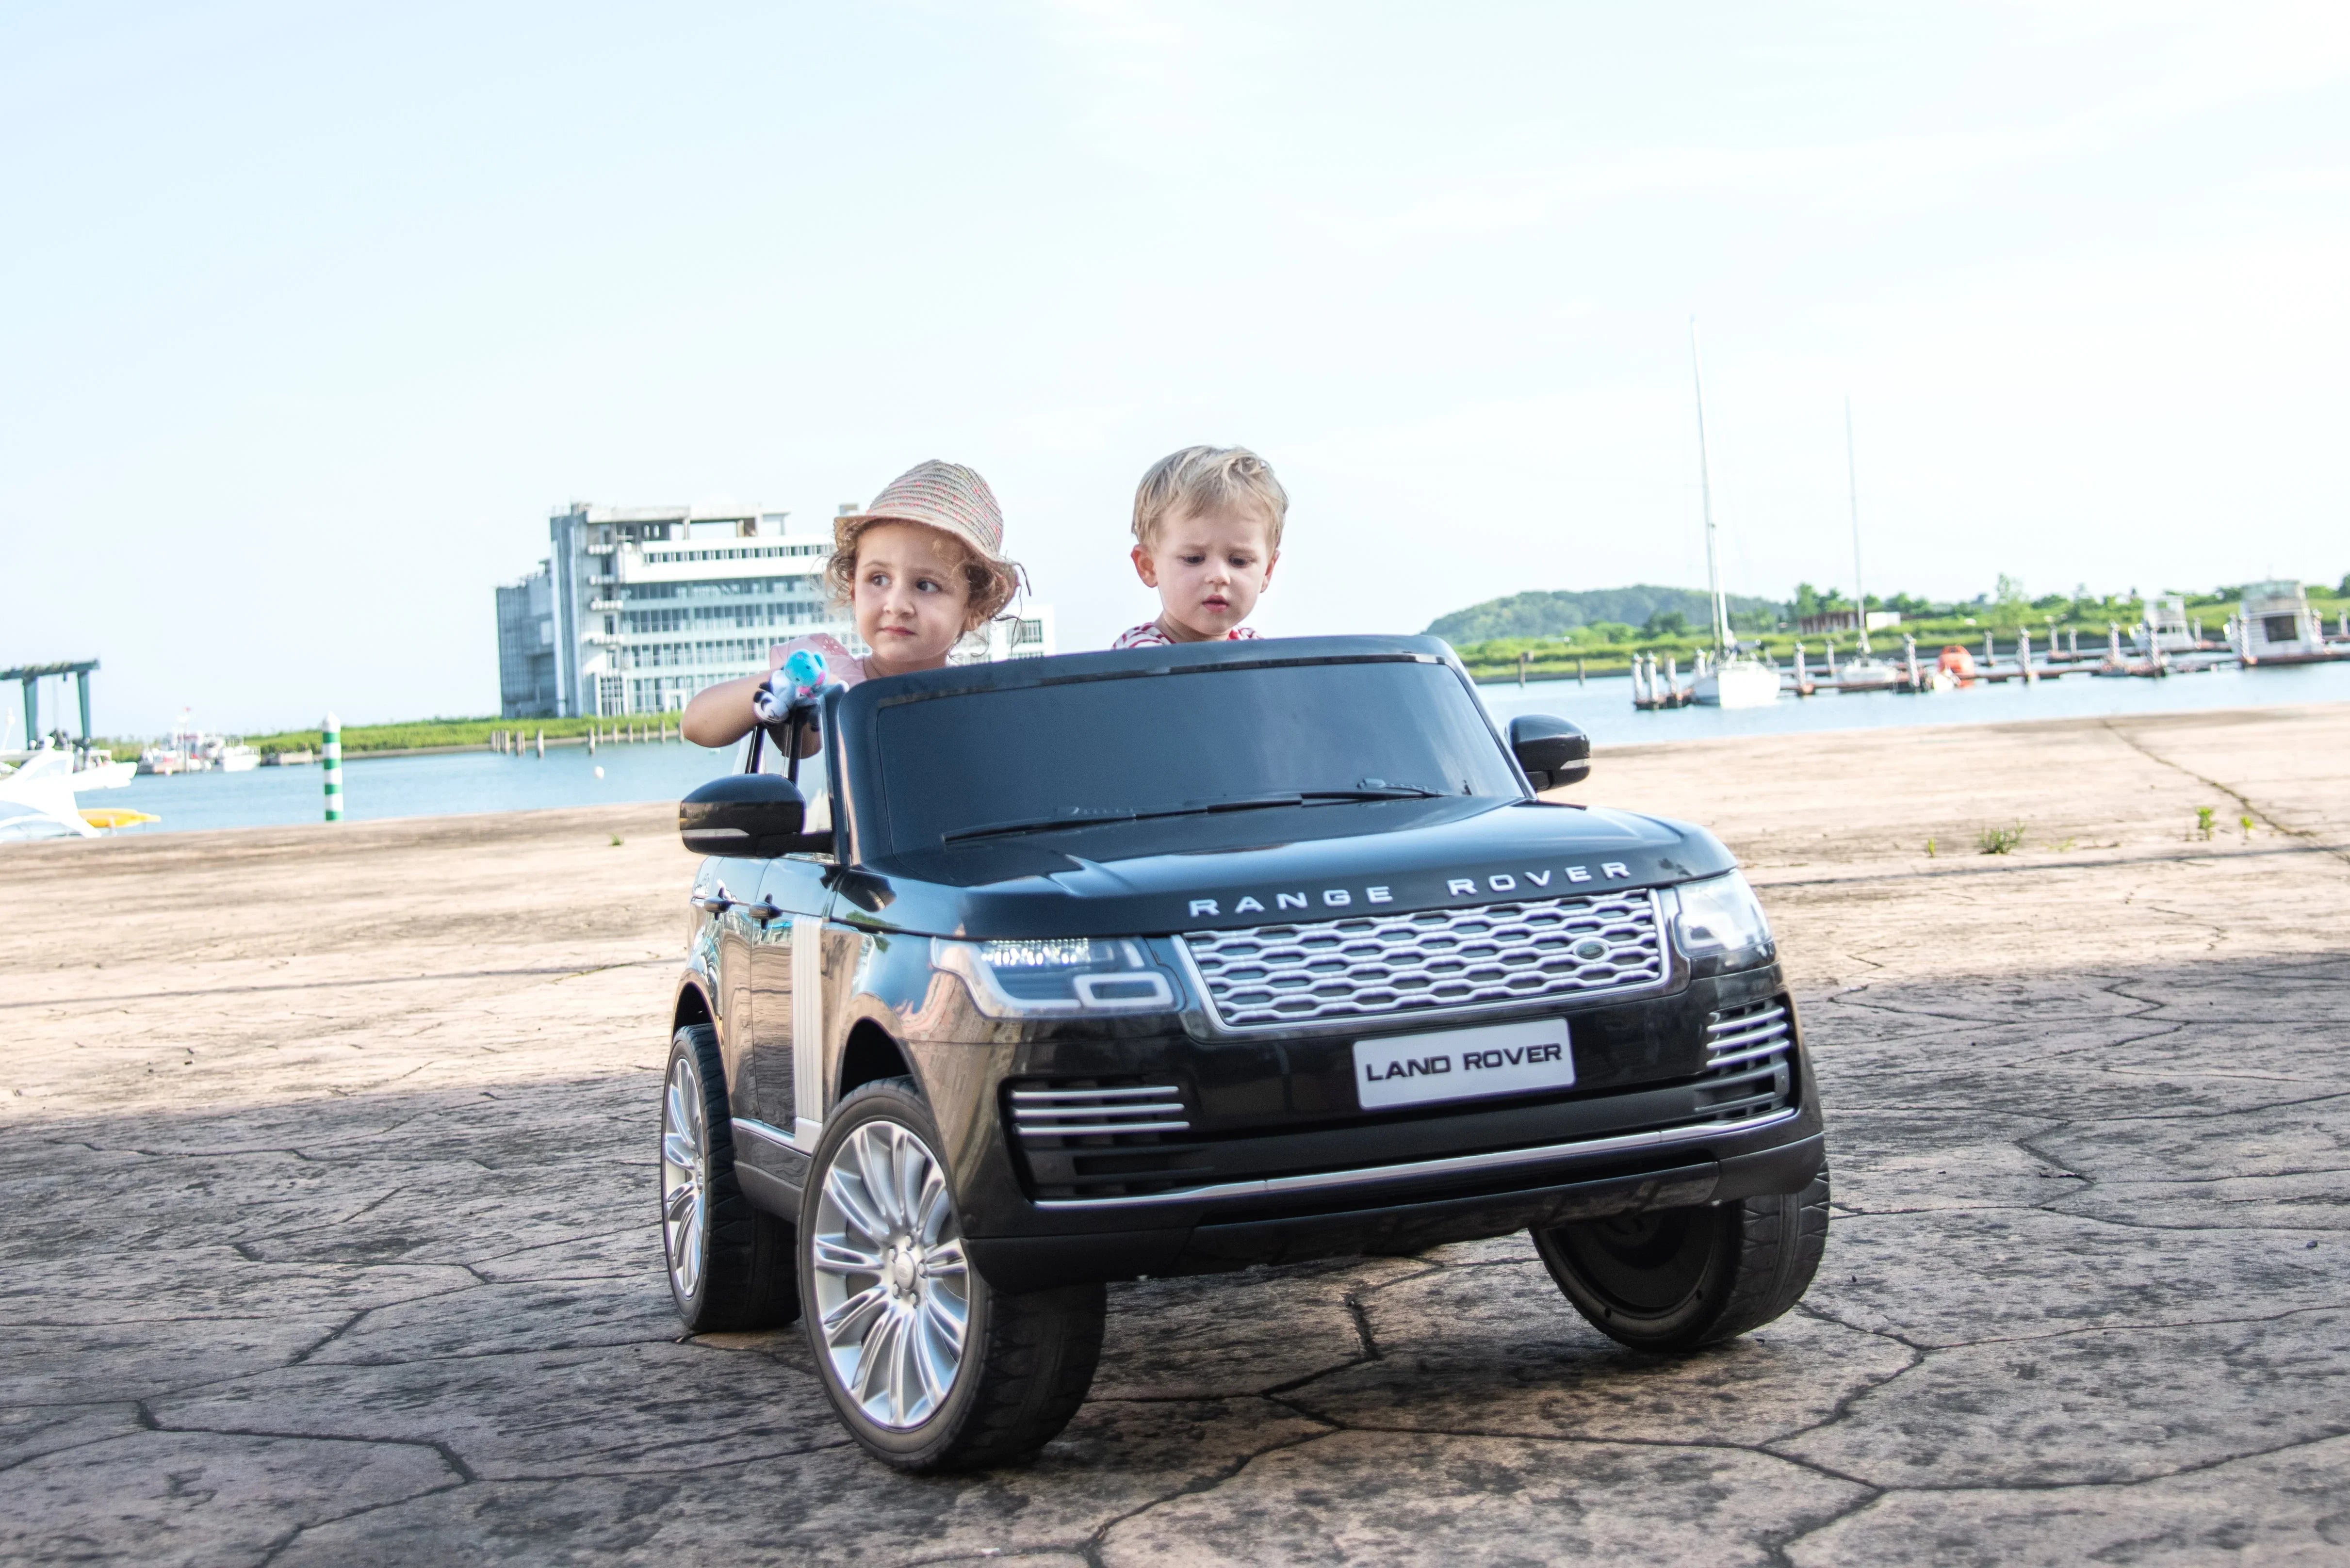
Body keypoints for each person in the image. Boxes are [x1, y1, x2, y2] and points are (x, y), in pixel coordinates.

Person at [680, 460, 1024, 749]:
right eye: (878, 579)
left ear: (974, 607)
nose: (897, 604)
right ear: (853, 589)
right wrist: (785, 684)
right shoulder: (833, 686)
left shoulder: (981, 706)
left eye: (926, 585)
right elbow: (697, 724)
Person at [1112, 445, 1287, 647]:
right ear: (1149, 566)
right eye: (1194, 559)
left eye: (1239, 561)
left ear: (1267, 571)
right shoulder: (1142, 654)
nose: (1220, 576)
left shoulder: (1259, 650)